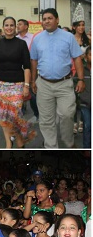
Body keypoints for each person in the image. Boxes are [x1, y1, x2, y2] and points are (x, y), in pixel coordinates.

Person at [30, 8, 85, 148]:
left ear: (57, 19)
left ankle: (68, 143)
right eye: (44, 19)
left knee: (67, 114)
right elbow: (34, 61)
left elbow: (77, 58)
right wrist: (32, 80)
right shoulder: (37, 39)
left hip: (64, 83)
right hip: (43, 83)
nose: (47, 21)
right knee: (46, 119)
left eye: (50, 18)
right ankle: (51, 146)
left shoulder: (68, 37)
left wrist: (81, 79)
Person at [0, 17, 35, 148]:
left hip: (17, 85)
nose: (9, 28)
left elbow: (27, 66)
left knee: (14, 115)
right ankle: (8, 142)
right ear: (3, 27)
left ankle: (20, 138)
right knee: (4, 116)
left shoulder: (21, 44)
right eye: (6, 25)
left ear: (15, 27)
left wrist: (26, 85)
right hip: (0, 85)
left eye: (11, 25)